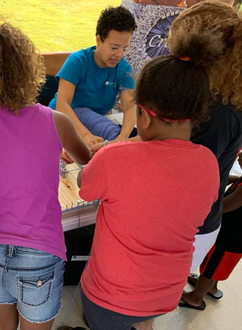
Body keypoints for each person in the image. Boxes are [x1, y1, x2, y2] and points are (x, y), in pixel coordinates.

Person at [0, 23, 91, 330]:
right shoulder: (57, 121)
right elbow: (90, 167)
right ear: (26, 68)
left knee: (1, 323)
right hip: (41, 251)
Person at [77, 54, 219, 330]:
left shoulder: (114, 158)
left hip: (110, 297)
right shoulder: (208, 162)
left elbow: (84, 185)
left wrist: (102, 156)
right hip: (167, 290)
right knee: (143, 319)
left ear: (144, 115)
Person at [167, 1, 242, 309]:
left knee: (159, 290)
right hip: (197, 220)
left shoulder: (217, 115)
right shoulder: (224, 94)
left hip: (190, 225)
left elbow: (188, 179)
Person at [48, 6, 137, 147]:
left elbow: (130, 107)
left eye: (124, 48)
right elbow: (62, 104)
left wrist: (121, 139)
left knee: (117, 139)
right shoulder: (77, 61)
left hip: (92, 123)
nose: (119, 54)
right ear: (98, 40)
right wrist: (85, 135)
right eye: (114, 47)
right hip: (61, 121)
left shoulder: (124, 69)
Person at [182, 152, 242, 310]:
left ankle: (195, 297)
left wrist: (203, 202)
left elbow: (225, 206)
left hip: (230, 239)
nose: (240, 155)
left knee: (212, 268)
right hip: (232, 236)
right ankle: (212, 287)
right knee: (215, 265)